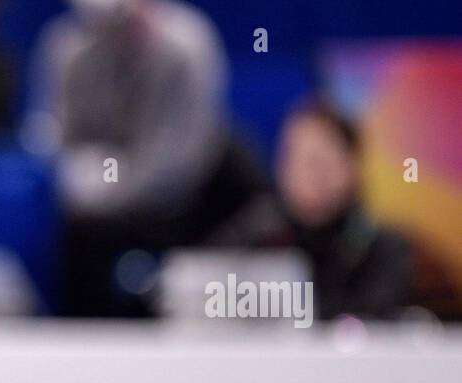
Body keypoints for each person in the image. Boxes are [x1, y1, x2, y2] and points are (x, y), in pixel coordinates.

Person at [27, 0, 262, 317]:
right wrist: (74, 177)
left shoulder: (186, 47)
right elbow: (55, 136)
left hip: (188, 197)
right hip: (101, 206)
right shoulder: (68, 47)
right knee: (70, 236)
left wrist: (111, 189)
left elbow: (179, 163)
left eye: (123, 23)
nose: (115, 36)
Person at [208, 97, 415, 322]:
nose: (303, 173)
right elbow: (200, 283)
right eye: (292, 158)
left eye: (317, 162)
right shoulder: (257, 234)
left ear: (351, 167)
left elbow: (371, 314)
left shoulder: (383, 250)